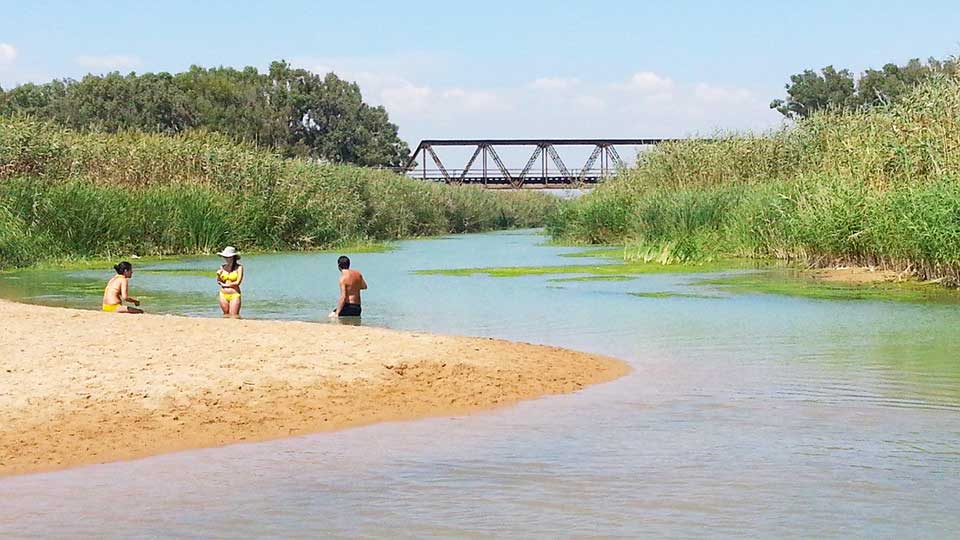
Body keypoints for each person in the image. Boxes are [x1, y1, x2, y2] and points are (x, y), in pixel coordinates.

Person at [216, 246, 244, 317]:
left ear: (233, 257)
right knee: (226, 314)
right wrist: (218, 275)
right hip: (223, 294)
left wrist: (226, 285)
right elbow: (219, 281)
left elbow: (238, 282)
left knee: (234, 315)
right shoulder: (222, 267)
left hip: (234, 294)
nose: (226, 259)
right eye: (225, 257)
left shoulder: (239, 267)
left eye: (228, 257)